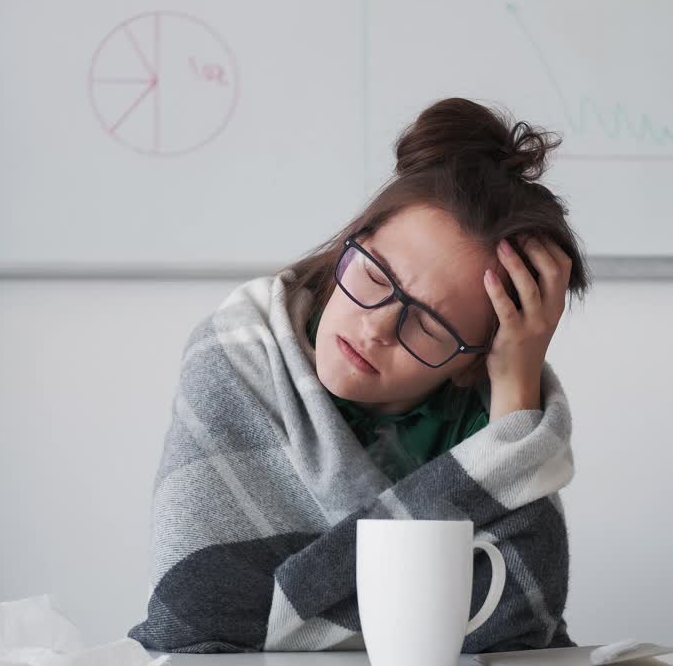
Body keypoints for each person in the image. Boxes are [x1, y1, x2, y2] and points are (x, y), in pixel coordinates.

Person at [128, 97, 591, 654]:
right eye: (375, 274)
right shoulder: (237, 353)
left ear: (472, 362)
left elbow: (521, 631)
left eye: (429, 324)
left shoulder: (486, 416)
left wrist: (517, 390)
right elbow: (197, 612)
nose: (377, 328)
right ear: (353, 240)